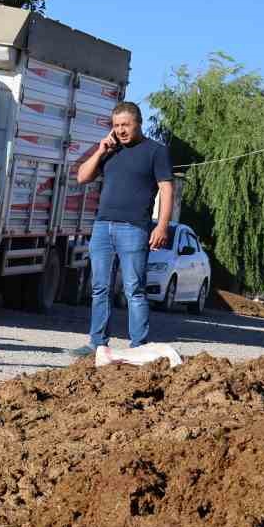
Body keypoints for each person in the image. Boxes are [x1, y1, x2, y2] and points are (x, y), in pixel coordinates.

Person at [72, 101, 174, 351]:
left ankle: (138, 346)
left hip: (134, 228)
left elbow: (167, 189)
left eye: (125, 125)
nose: (121, 130)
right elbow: (82, 177)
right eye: (116, 125)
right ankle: (97, 344)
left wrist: (161, 226)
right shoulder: (109, 151)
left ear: (138, 123)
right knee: (100, 288)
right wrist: (100, 151)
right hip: (102, 227)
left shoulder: (156, 151)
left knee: (134, 289)